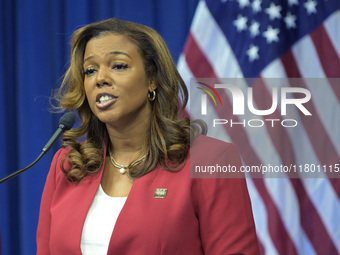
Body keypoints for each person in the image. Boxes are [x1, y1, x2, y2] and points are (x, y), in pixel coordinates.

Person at [36, 18, 260, 255]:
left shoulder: (210, 160)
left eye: (118, 65)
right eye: (90, 70)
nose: (100, 78)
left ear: (152, 78)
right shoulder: (67, 165)